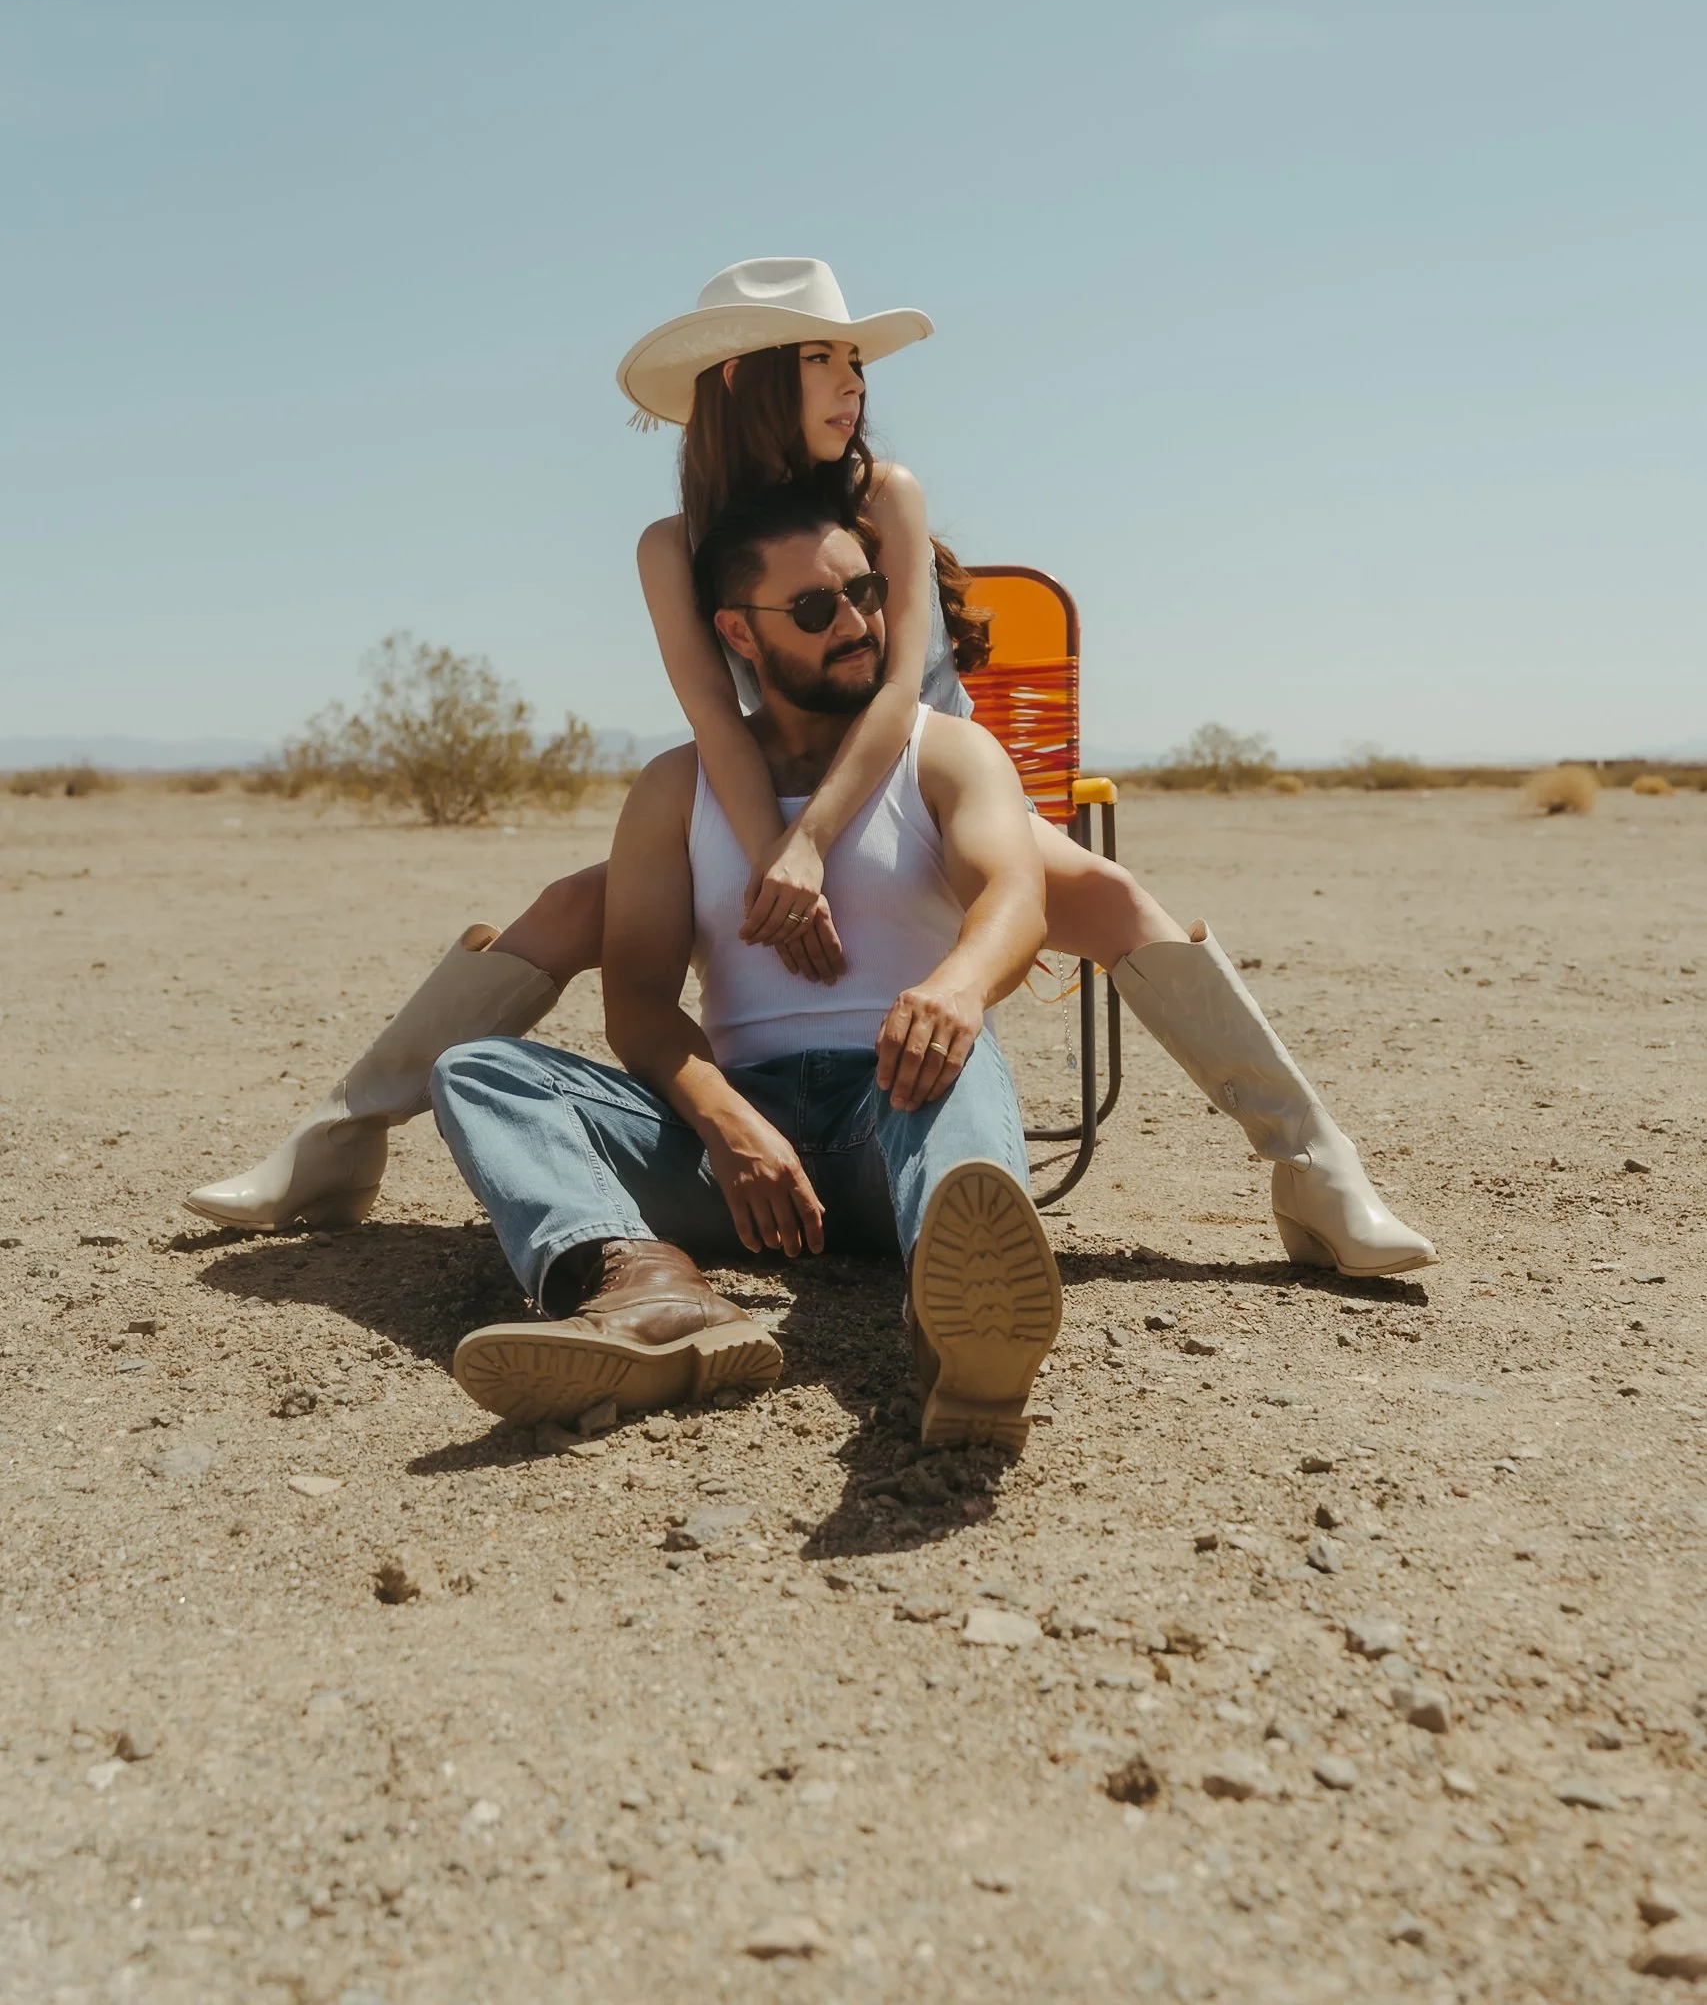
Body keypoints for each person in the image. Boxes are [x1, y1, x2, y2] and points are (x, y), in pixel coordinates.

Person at [185, 257, 1434, 1277]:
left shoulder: (886, 489)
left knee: (1106, 896)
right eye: (826, 358)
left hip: (908, 760)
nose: (854, 382)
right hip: (762, 767)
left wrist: (813, 844)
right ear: (748, 380)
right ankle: (344, 1138)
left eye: (854, 359)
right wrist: (773, 857)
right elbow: (715, 720)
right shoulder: (675, 544)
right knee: (579, 908)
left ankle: (1313, 1168)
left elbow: (899, 689)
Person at [435, 482, 1062, 1452]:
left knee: (958, 1051)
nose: (857, 623)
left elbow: (1015, 896)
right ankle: (647, 1288)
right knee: (477, 1070)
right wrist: (724, 1119)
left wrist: (957, 983)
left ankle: (964, 1332)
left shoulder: (948, 754)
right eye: (816, 610)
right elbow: (639, 1000)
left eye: (866, 593)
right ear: (737, 630)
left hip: (894, 1111)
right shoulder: (675, 789)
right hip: (729, 1157)